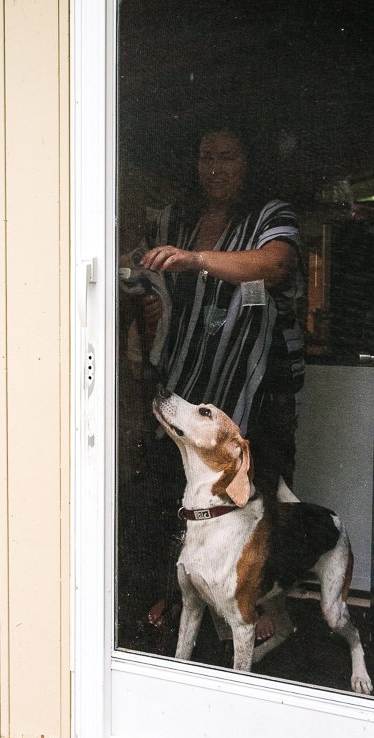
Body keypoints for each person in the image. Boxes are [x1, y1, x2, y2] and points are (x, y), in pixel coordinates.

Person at [119, 123, 305, 648]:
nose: (215, 169)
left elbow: (276, 263)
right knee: (176, 493)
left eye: (227, 157)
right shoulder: (178, 217)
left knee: (255, 498)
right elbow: (144, 269)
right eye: (206, 157)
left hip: (255, 388)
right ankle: (177, 599)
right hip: (188, 384)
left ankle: (262, 613)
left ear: (249, 162)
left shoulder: (270, 215)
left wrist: (196, 259)